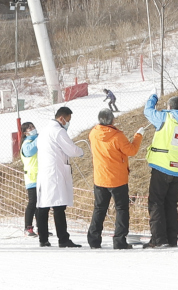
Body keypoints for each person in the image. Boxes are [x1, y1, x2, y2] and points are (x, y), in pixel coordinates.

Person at [141, 91, 178, 248]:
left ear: (170, 107)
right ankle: (171, 239)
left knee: (156, 202)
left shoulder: (166, 117)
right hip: (177, 168)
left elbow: (147, 111)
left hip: (162, 165)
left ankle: (159, 239)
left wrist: (152, 98)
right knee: (171, 204)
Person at [86, 109, 142, 248]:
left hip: (100, 177)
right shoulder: (117, 136)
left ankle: (93, 239)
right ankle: (119, 240)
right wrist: (138, 136)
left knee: (99, 209)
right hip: (117, 179)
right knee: (121, 209)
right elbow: (131, 151)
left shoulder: (93, 133)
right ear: (112, 120)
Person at [34, 105, 83, 247]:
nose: (68, 122)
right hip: (55, 173)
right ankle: (63, 238)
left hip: (46, 172)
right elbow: (72, 149)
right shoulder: (58, 131)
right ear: (61, 118)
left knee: (43, 206)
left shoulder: (44, 131)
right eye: (68, 119)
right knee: (58, 206)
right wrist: (81, 152)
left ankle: (43, 238)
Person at [20, 121, 40, 236]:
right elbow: (31, 150)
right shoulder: (27, 143)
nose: (32, 129)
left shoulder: (36, 140)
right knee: (32, 202)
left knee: (40, 203)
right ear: (25, 133)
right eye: (29, 128)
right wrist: (39, 138)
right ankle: (27, 227)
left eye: (33, 126)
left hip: (40, 176)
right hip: (32, 177)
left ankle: (41, 226)